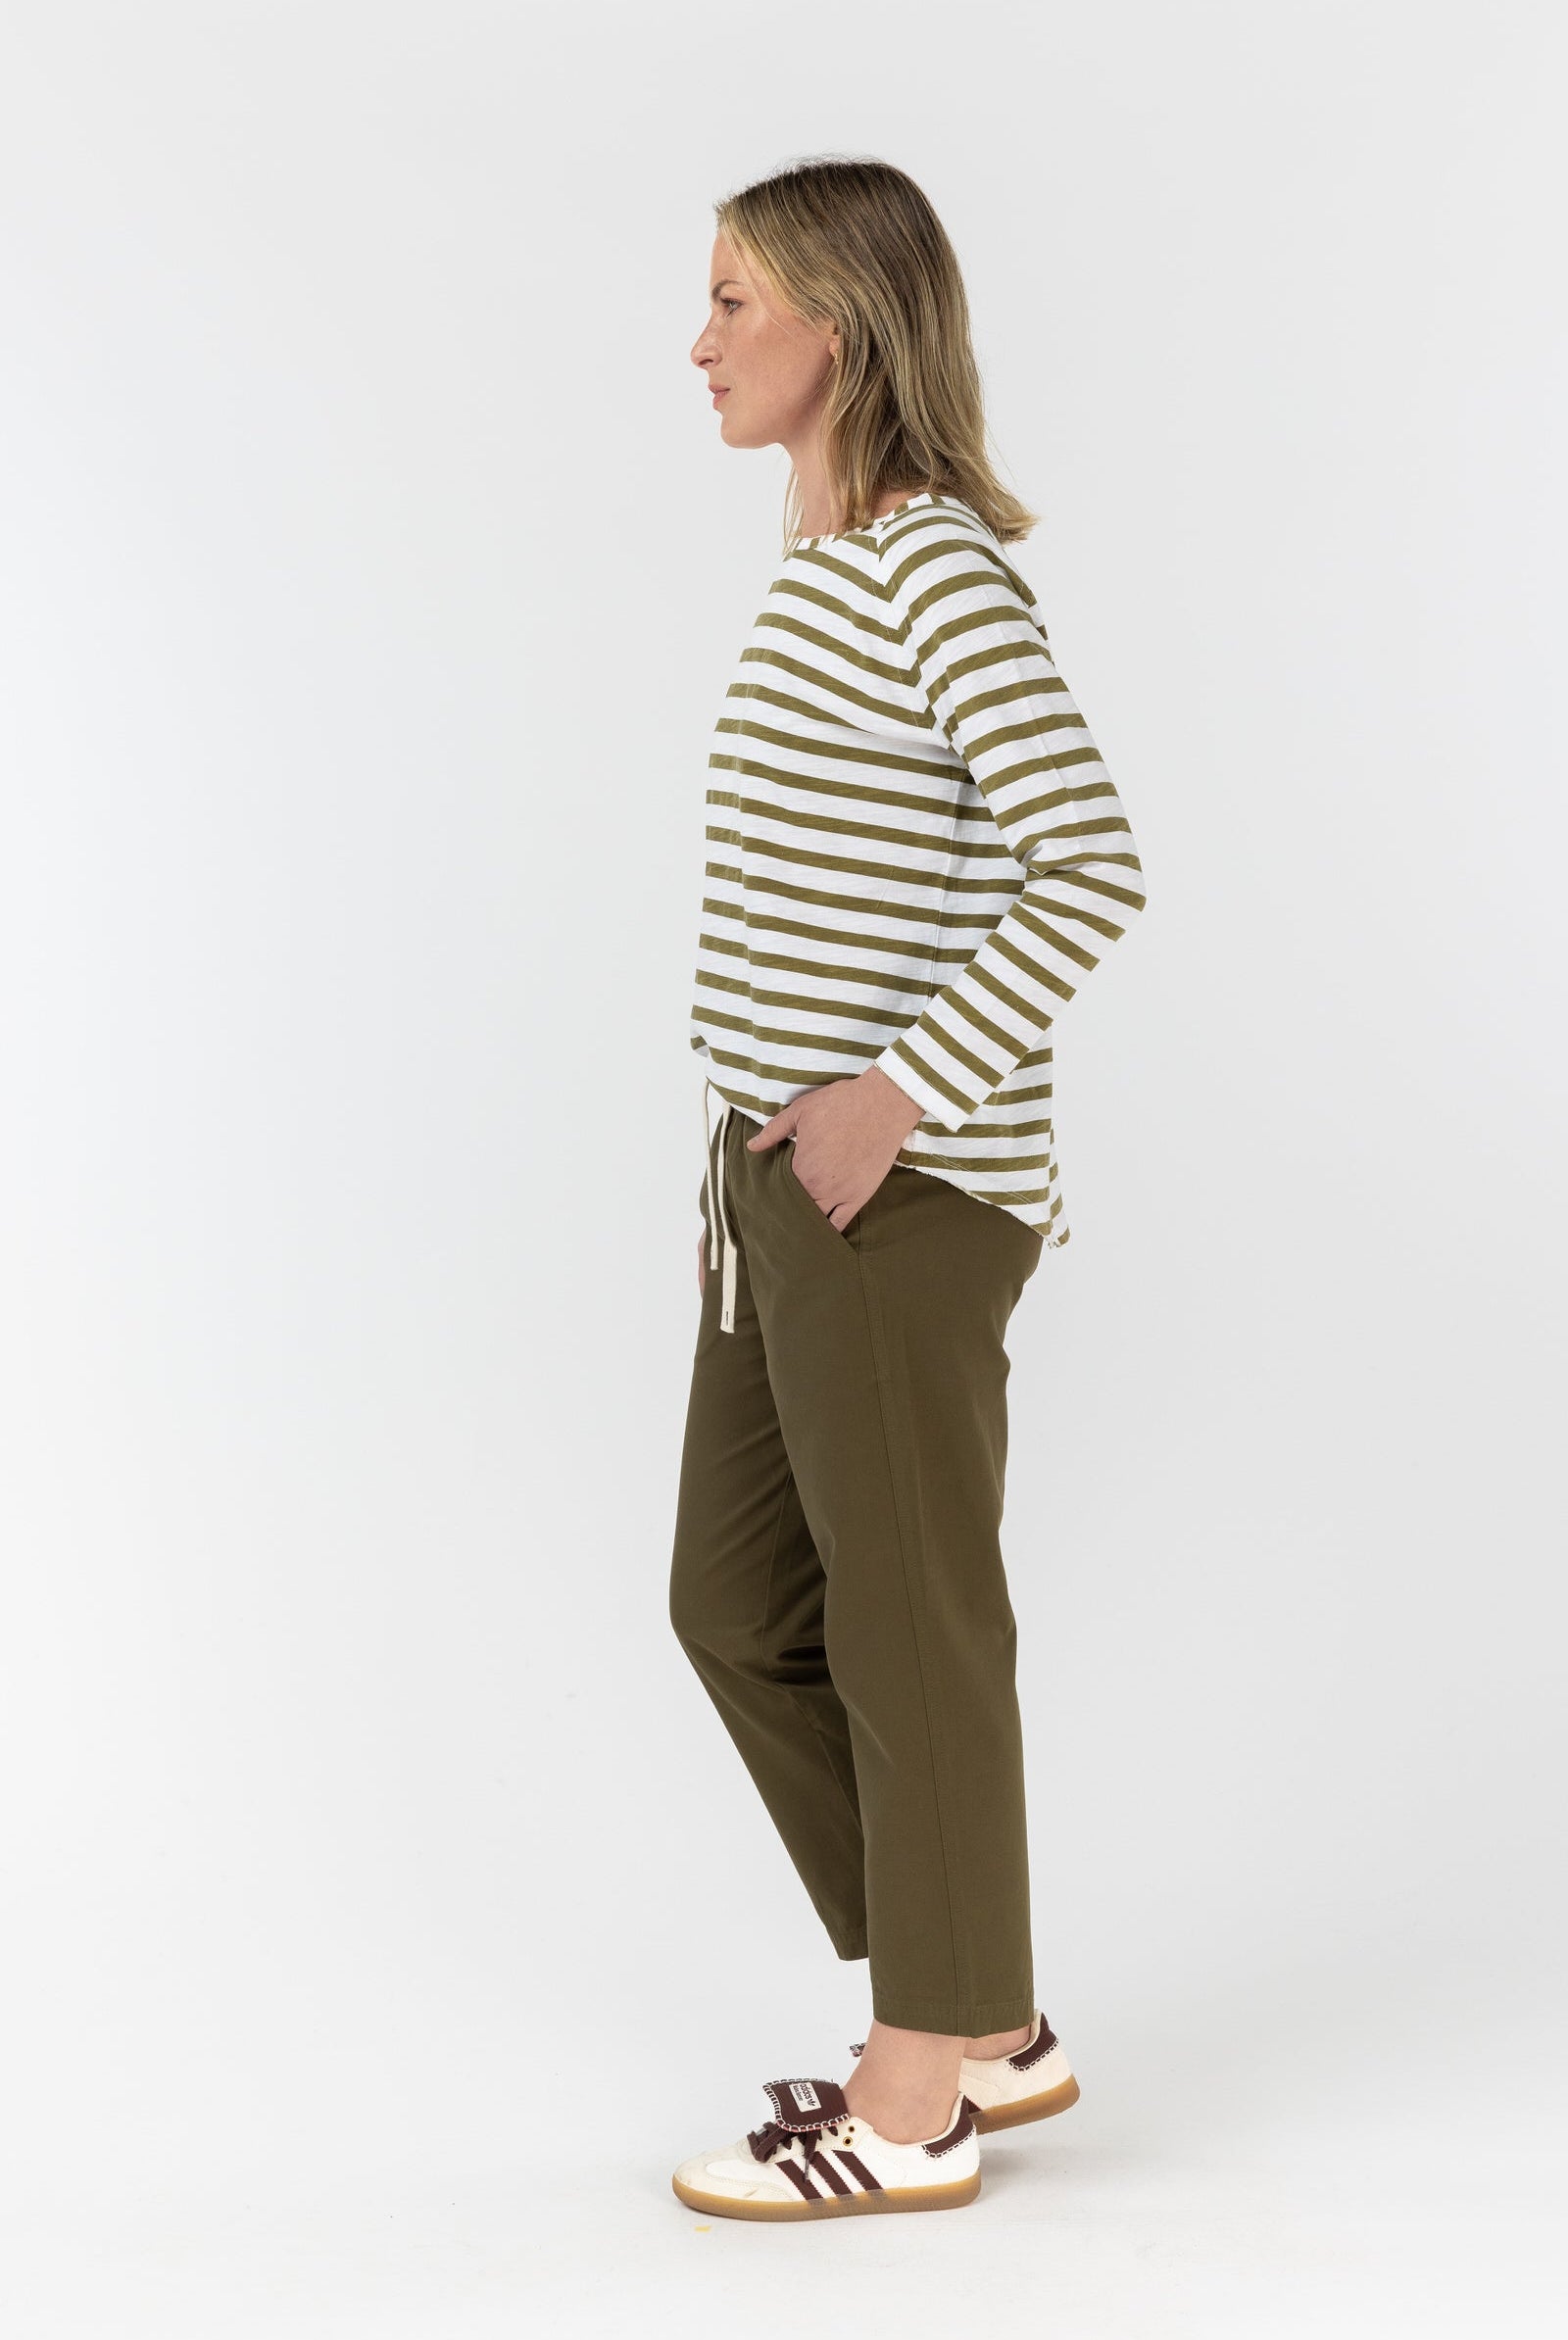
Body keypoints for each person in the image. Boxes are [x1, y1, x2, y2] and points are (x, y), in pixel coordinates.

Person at [667, 155, 1147, 2221]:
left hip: (902, 1199)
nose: (698, 345)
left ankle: (912, 2100)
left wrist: (896, 1096)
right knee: (732, 1606)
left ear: (841, 330)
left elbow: (1091, 863)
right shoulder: (822, 569)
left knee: (905, 1631)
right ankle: (981, 2012)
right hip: (776, 1191)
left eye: (734, 304)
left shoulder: (934, 568)